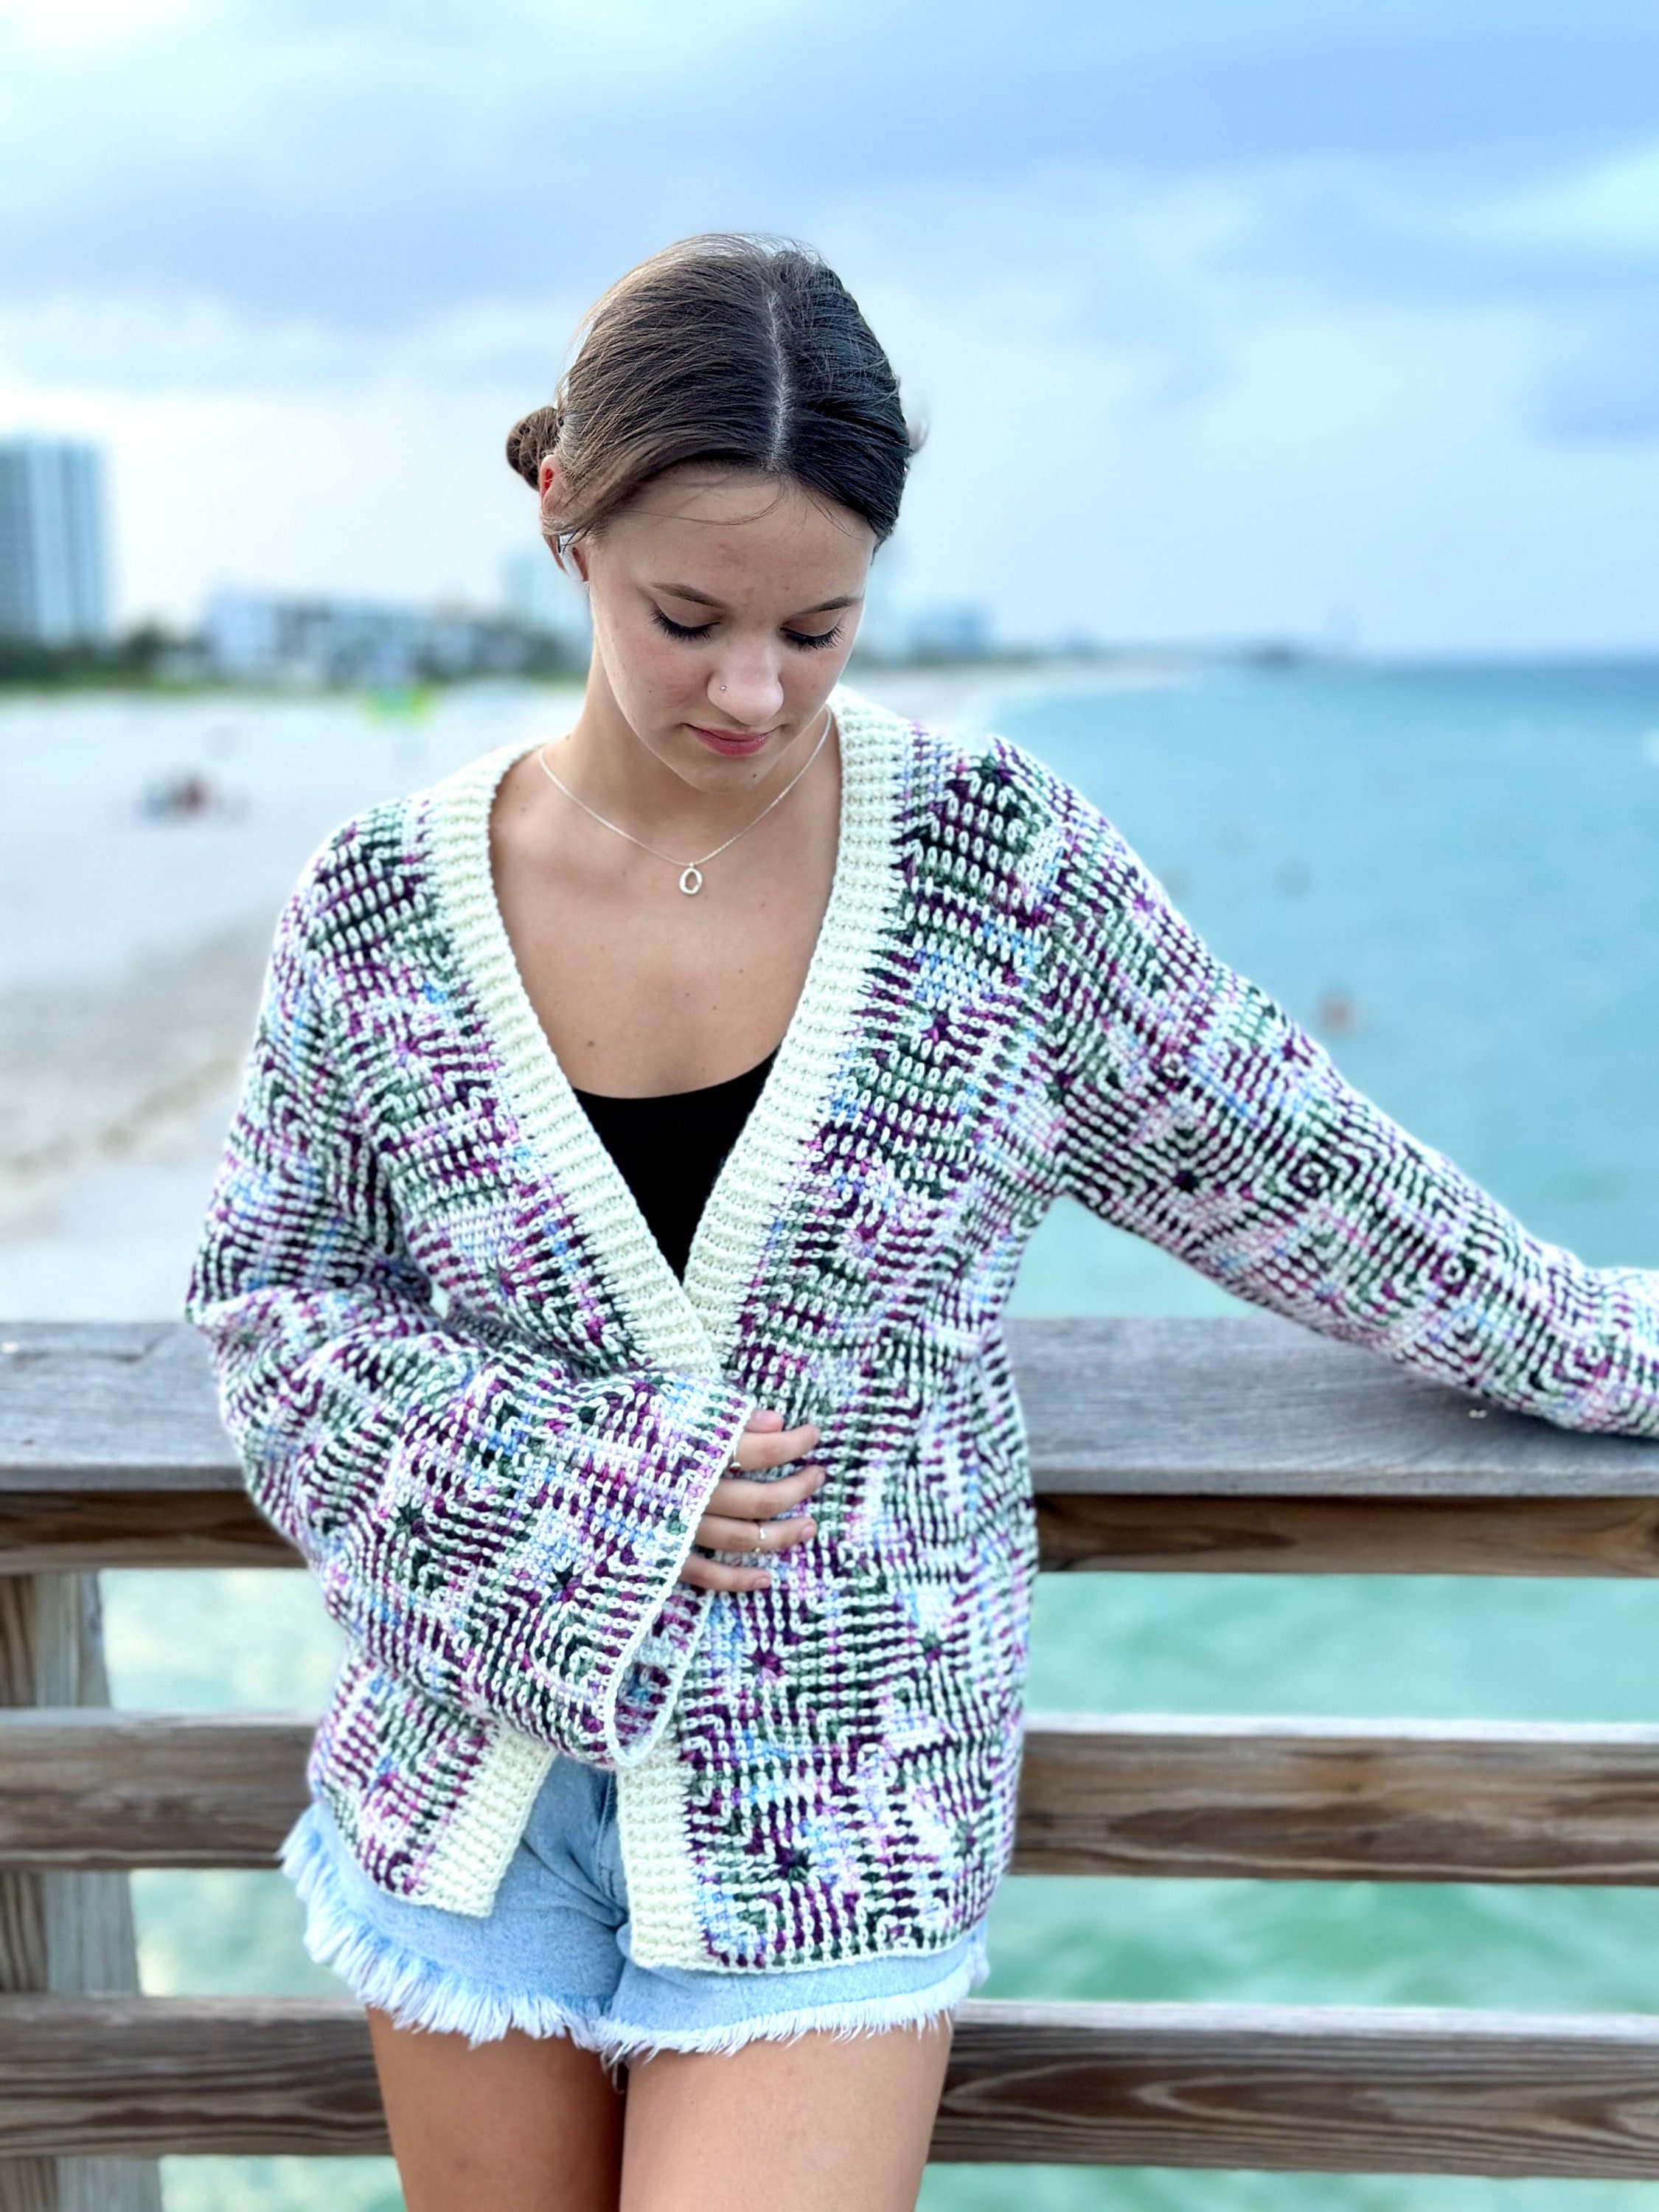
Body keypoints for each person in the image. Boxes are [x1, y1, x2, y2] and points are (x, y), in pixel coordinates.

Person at [182, 230, 1659, 2212]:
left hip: (844, 1776)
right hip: (469, 1772)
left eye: (818, 628)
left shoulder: (995, 871)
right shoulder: (374, 908)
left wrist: (1604, 1347)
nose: (749, 690)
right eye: (687, 614)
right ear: (564, 517)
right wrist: (593, 1489)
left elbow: (1306, 1181)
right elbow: (274, 1308)